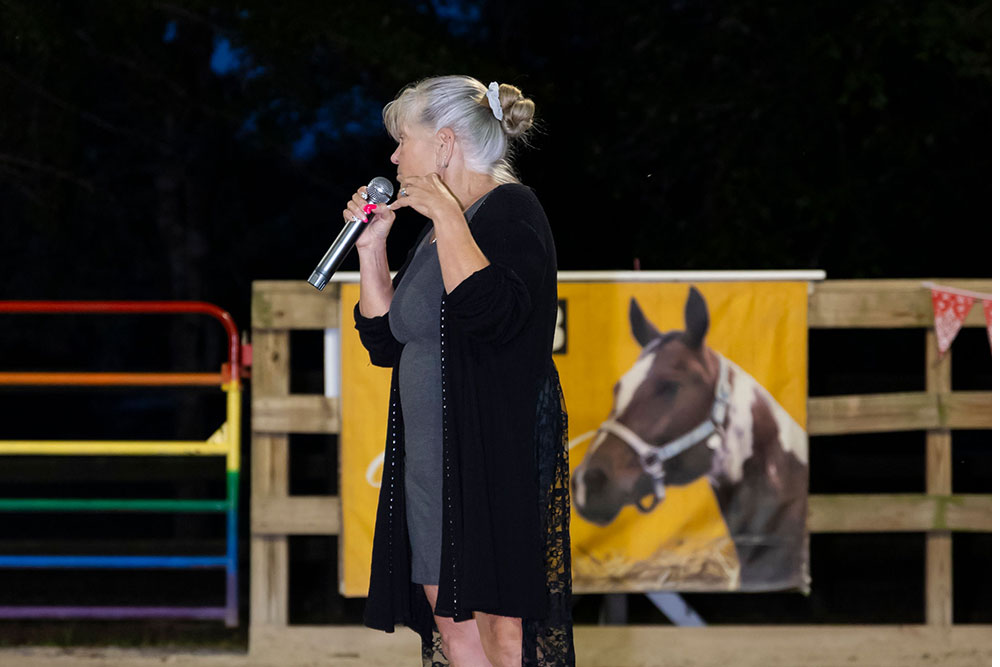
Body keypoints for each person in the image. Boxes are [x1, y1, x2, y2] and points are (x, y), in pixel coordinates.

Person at [347, 75, 574, 666]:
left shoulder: (510, 214)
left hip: (490, 458)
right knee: (453, 630)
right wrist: (373, 249)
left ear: (444, 145)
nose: (394, 156)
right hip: (429, 465)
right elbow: (384, 340)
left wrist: (447, 218)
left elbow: (491, 314)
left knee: (504, 635)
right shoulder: (432, 230)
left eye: (404, 141)